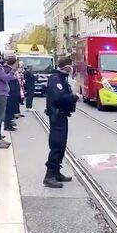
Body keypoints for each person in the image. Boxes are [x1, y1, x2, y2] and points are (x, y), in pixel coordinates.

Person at [44, 57, 79, 189]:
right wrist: (75, 97)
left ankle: (56, 172)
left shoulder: (61, 78)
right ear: (66, 66)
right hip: (56, 115)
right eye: (71, 65)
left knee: (61, 145)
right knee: (57, 144)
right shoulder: (56, 79)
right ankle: (49, 176)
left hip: (62, 115)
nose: (72, 68)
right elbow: (59, 97)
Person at [4, 58, 20, 131]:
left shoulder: (10, 70)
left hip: (13, 94)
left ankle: (9, 123)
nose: (18, 65)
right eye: (17, 63)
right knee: (8, 110)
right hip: (10, 94)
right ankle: (7, 125)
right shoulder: (8, 70)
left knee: (10, 110)